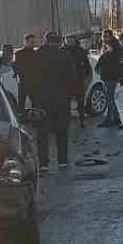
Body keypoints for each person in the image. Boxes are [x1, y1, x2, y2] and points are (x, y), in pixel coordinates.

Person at [33, 32, 79, 171]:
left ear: (46, 41)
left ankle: (43, 164)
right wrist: (70, 96)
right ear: (58, 42)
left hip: (42, 100)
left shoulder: (37, 56)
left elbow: (30, 77)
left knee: (42, 132)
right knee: (62, 131)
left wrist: (34, 97)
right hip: (61, 100)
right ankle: (62, 161)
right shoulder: (65, 56)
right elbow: (73, 77)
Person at [64, 36, 92, 126]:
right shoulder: (62, 51)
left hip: (79, 79)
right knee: (66, 102)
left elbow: (87, 65)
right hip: (67, 80)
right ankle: (67, 120)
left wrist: (86, 78)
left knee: (80, 101)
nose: (69, 42)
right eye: (67, 40)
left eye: (70, 40)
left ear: (74, 41)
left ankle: (82, 119)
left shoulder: (80, 51)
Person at [95, 36, 123, 128]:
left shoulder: (113, 54)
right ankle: (116, 118)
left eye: (107, 44)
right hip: (109, 78)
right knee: (110, 98)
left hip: (110, 78)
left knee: (110, 99)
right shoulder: (112, 53)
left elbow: (106, 64)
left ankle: (109, 119)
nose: (106, 46)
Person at [13, 33, 41, 109]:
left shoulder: (36, 54)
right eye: (31, 42)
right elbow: (17, 67)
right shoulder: (19, 54)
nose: (33, 44)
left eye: (33, 42)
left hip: (34, 82)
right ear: (26, 42)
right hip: (23, 81)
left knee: (36, 102)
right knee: (21, 102)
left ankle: (35, 116)